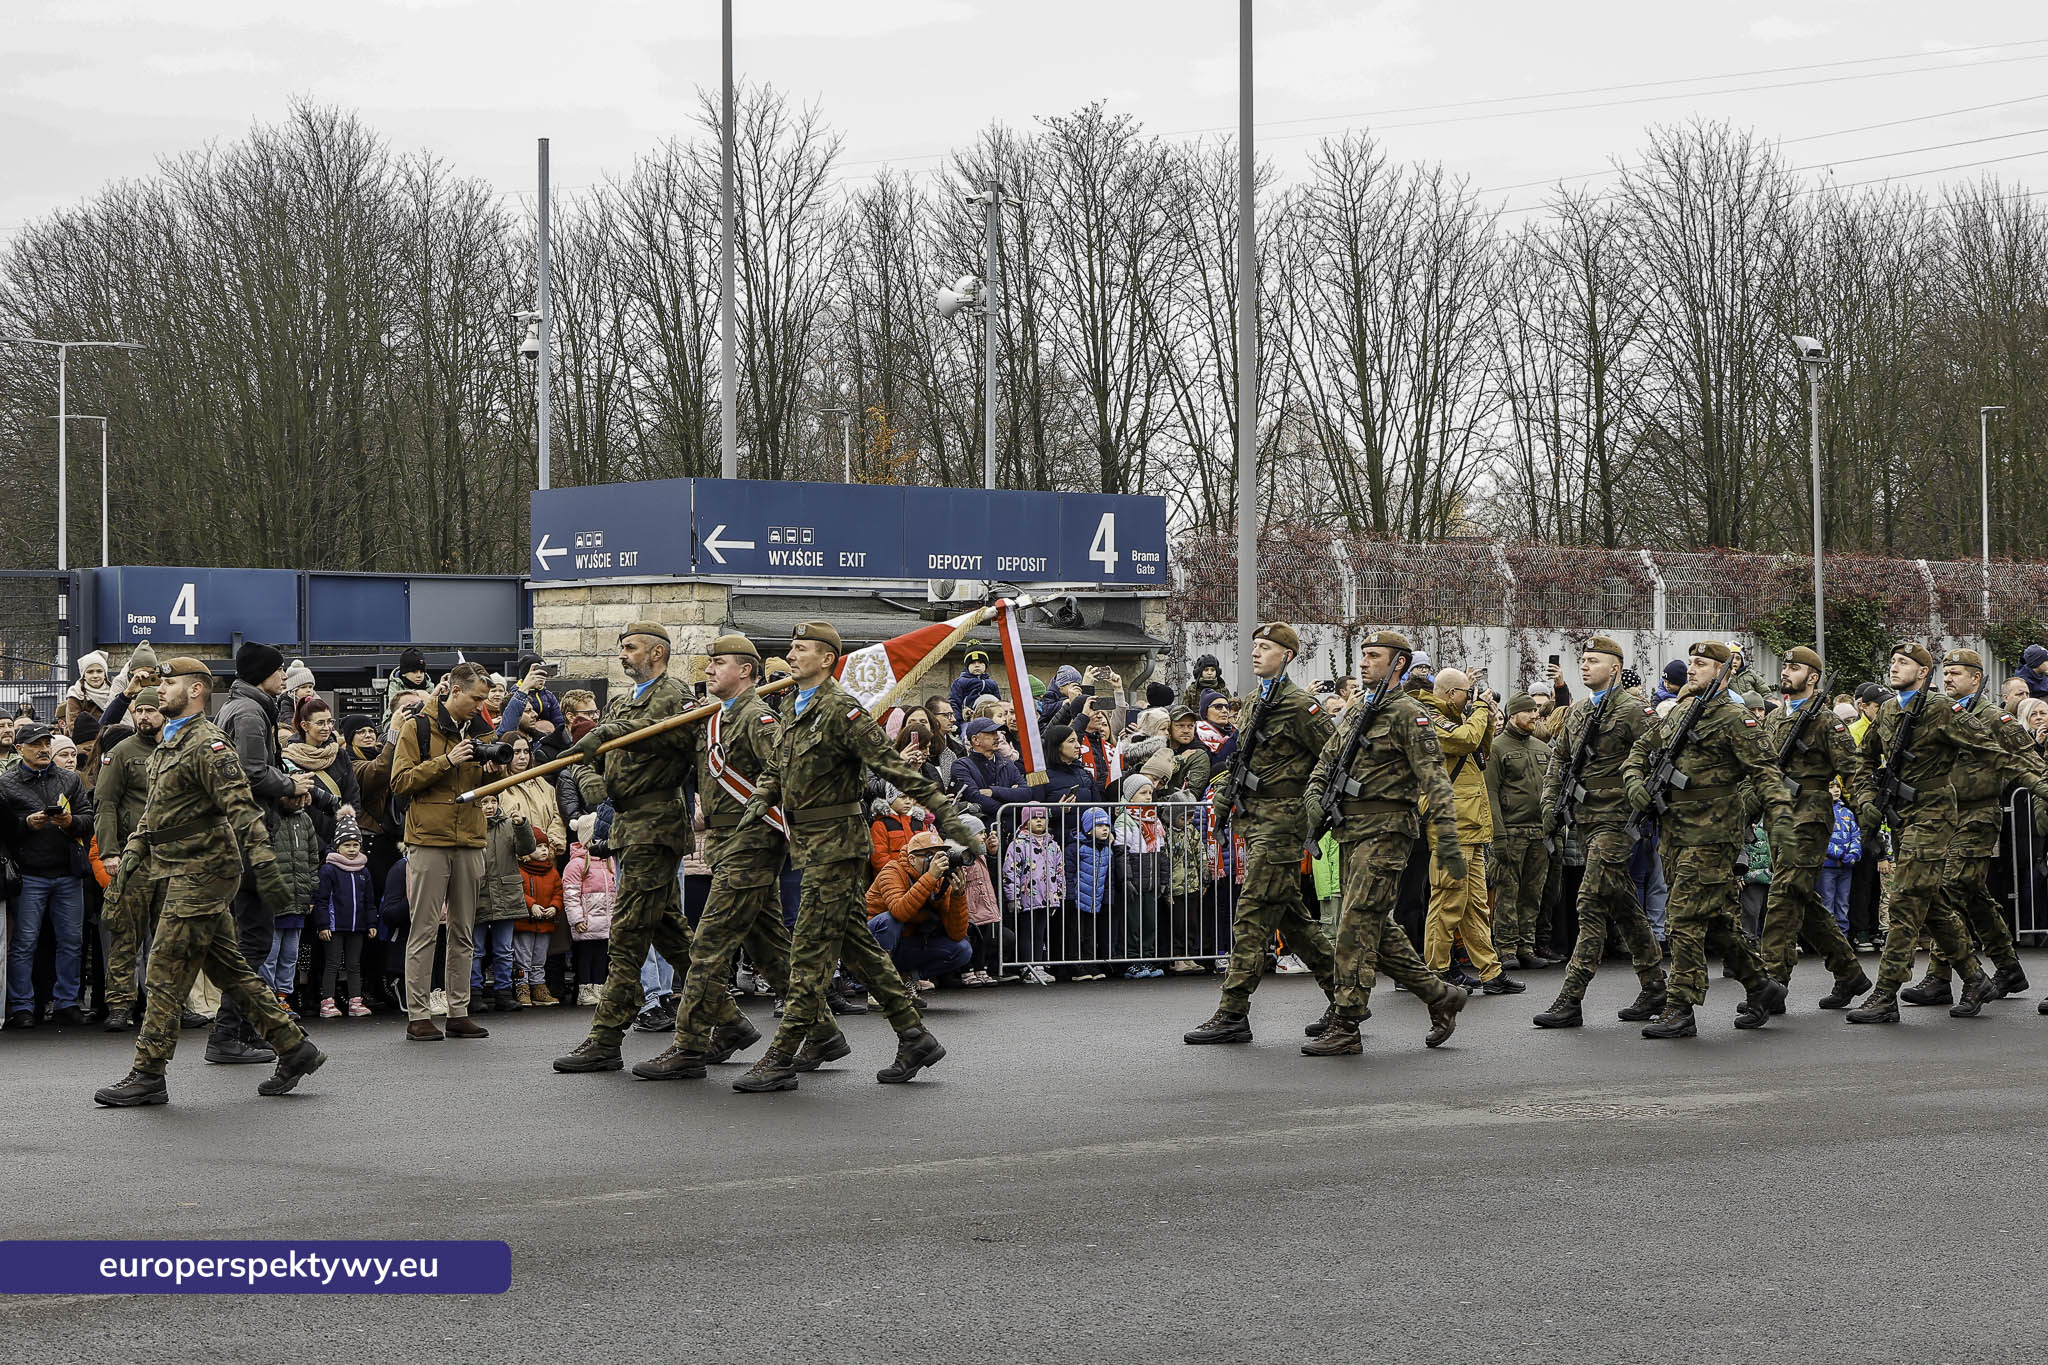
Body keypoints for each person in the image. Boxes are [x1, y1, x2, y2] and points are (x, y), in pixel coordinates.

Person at [731, 620, 979, 1092]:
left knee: (808, 952)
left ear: (827, 659)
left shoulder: (842, 711)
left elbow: (894, 768)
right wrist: (760, 799)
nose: (792, 654)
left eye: (801, 648)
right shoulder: (792, 705)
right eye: (792, 646)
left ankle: (781, 1056)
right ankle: (915, 1037)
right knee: (860, 947)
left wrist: (949, 817)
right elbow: (777, 767)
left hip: (837, 846)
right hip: (808, 843)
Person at [92, 656, 325, 1107]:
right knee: (229, 969)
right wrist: (131, 856)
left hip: (205, 871)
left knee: (163, 969)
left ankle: (148, 1073)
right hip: (178, 867)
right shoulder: (170, 742)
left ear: (196, 689)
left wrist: (266, 867)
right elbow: (154, 814)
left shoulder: (208, 744)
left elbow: (244, 809)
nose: (160, 689)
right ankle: (295, 1048)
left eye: (169, 683)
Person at [620, 635, 801, 1078]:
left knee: (707, 947)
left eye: (719, 663)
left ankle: (689, 1045)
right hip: (725, 842)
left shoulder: (758, 717)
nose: (708, 670)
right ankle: (821, 1031)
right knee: (770, 947)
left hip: (750, 842)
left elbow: (786, 775)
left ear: (746, 671)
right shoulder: (714, 717)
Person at [1297, 632, 1469, 1056]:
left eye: (1374, 656)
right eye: (1363, 655)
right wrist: (1314, 797)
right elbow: (1326, 760)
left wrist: (1448, 838)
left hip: (1387, 830)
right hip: (1350, 831)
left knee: (1354, 926)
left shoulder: (1410, 714)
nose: (1364, 662)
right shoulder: (1359, 710)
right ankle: (1440, 995)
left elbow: (1435, 779)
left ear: (1398, 663)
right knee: (1374, 925)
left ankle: (1346, 1023)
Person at [1846, 642, 2028, 1023]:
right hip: (1911, 815)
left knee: (1914, 896)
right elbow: (1864, 758)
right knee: (1937, 899)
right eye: (1893, 661)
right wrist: (1866, 801)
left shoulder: (1965, 713)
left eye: (1904, 662)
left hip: (1960, 815)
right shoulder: (1895, 711)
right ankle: (1979, 976)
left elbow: (2010, 755)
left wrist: (2039, 787)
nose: (1894, 667)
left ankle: (1890, 991)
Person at [548, 623, 700, 1072]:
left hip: (656, 825)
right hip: (625, 824)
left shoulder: (673, 695)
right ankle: (726, 1019)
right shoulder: (620, 700)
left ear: (657, 653)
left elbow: (674, 738)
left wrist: (609, 732)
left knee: (629, 932)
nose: (623, 655)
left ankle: (606, 1036)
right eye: (622, 648)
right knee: (668, 931)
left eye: (631, 648)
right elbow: (593, 760)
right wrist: (593, 783)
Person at [1182, 623, 1343, 1048]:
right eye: (1254, 646)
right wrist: (1222, 807)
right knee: (1294, 922)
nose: (1256, 652)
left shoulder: (1301, 706)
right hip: (1255, 820)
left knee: (1251, 916)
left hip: (1283, 824)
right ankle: (1346, 1000)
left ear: (1287, 655)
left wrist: (1316, 808)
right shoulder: (1255, 700)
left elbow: (1335, 757)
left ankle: (1233, 1012)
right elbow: (1241, 762)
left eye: (1266, 647)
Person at [1622, 641, 1791, 1039]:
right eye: (1691, 662)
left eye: (1701, 663)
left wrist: (1781, 818)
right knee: (1715, 922)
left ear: (1724, 672)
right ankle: (1761, 986)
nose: (1692, 669)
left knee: (1682, 918)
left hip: (1714, 835)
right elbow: (1642, 748)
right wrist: (1634, 782)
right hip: (1675, 832)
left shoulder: (1736, 718)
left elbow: (1767, 773)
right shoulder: (1683, 711)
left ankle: (1680, 1007)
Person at [1531, 637, 1668, 1031]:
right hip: (1585, 819)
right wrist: (1549, 803)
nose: (1585, 665)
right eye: (1584, 659)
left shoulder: (1634, 710)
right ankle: (1655, 987)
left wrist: (1642, 796)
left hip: (1618, 821)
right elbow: (1559, 759)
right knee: (1623, 905)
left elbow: (1659, 756)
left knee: (1589, 901)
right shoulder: (1577, 711)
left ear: (1615, 668)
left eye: (1594, 660)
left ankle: (1571, 997)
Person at [1901, 647, 2043, 1005]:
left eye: (1956, 673)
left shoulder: (1994, 718)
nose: (1948, 678)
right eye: (1946, 672)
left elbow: (2026, 760)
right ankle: (2008, 967)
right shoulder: (1942, 712)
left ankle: (1938, 977)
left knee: (1950, 890)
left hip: (1978, 816)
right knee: (1974, 896)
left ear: (1976, 678)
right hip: (1945, 816)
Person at [1756, 646, 1876, 1009]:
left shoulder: (1825, 721)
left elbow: (1853, 768)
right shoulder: (1774, 719)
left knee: (1783, 895)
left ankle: (1772, 983)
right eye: (1785, 666)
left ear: (1812, 677)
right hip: (1778, 818)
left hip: (1810, 817)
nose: (1785, 671)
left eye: (1794, 667)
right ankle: (1849, 973)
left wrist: (1866, 808)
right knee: (1802, 898)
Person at [209, 643, 313, 1063]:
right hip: (248, 838)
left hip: (239, 834)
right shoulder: (251, 713)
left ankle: (243, 1030)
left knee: (248, 939)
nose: (284, 675)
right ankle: (227, 1035)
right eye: (279, 669)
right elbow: (250, 773)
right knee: (254, 940)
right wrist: (290, 785)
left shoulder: (240, 707)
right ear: (262, 673)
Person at [389, 659, 496, 1041]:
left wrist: (494, 771)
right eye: (476, 699)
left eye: (484, 700)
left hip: (469, 838)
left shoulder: (480, 730)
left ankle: (458, 1011)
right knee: (424, 930)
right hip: (429, 839)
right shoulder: (417, 726)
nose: (480, 707)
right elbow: (400, 781)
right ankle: (419, 1015)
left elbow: (486, 787)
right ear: (455, 690)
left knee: (464, 931)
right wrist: (446, 761)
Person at [1420, 669, 1521, 995]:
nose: (1471, 697)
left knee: (1476, 905)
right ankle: (1436, 971)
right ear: (1451, 693)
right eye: (1467, 692)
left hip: (1471, 824)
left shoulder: (1461, 718)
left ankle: (1491, 973)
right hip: (1451, 826)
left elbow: (1481, 750)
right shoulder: (1430, 719)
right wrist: (1479, 709)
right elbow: (1464, 740)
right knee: (1447, 902)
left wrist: (1487, 717)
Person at [0, 721, 94, 1028]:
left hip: (68, 872)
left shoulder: (69, 779)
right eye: (36, 745)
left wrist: (70, 822)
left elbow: (88, 818)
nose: (43, 749)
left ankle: (67, 1002)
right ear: (19, 749)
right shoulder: (6, 784)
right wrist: (26, 824)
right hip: (29, 874)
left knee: (72, 941)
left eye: (46, 744)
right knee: (25, 943)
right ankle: (22, 1006)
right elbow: (5, 830)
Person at [1487, 693, 1554, 970]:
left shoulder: (1543, 748)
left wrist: (1554, 828)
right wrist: (1498, 835)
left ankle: (1526, 945)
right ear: (1513, 715)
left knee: (1532, 893)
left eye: (1535, 711)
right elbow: (1490, 793)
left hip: (1539, 832)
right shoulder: (1497, 748)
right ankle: (1506, 948)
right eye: (1528, 712)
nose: (1534, 716)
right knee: (1507, 891)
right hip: (1511, 831)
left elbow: (1553, 789)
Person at [865, 831, 975, 990]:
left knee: (962, 949)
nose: (936, 861)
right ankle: (879, 984)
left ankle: (906, 979)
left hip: (904, 944)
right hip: (869, 943)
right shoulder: (892, 870)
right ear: (911, 859)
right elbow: (899, 912)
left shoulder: (940, 881)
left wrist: (958, 896)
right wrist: (930, 877)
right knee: (889, 920)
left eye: (940, 855)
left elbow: (956, 934)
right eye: (929, 855)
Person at [261, 788, 322, 1016]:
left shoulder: (304, 820)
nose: (300, 801)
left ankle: (283, 997)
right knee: (270, 953)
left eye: (302, 797)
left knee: (290, 955)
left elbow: (313, 858)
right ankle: (268, 998)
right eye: (295, 796)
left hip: (298, 900)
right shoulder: (269, 818)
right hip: (274, 900)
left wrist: (310, 891)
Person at [471, 794, 534, 1010]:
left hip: (506, 894)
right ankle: (474, 992)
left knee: (504, 949)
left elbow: (527, 848)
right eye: (484, 802)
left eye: (493, 801)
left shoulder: (509, 825)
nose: (489, 806)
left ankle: (504, 992)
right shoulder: (469, 825)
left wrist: (522, 825)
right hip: (478, 893)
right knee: (475, 949)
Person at [314, 813, 378, 1018]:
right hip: (334, 926)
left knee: (354, 964)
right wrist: (323, 925)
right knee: (332, 963)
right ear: (337, 846)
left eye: (355, 845)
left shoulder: (363, 871)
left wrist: (371, 923)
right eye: (346, 845)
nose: (351, 850)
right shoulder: (329, 870)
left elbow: (369, 901)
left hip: (357, 926)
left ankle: (355, 1001)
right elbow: (321, 900)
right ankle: (327, 1001)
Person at [562, 829, 616, 1006]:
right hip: (587, 921)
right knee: (585, 956)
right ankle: (584, 989)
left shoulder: (609, 861)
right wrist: (577, 919)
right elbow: (571, 894)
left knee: (602, 955)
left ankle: (598, 987)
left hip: (606, 921)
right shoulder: (576, 864)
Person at [515, 835, 563, 1006]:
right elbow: (517, 891)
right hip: (524, 923)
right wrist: (531, 905)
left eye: (545, 846)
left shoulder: (552, 871)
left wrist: (554, 907)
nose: (544, 849)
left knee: (539, 958)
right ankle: (522, 987)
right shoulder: (519, 870)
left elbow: (559, 892)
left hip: (545, 923)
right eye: (538, 846)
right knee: (523, 957)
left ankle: (538, 988)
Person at [949, 648, 1003, 721]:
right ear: (967, 666)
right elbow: (955, 702)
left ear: (985, 665)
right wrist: (958, 722)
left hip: (991, 718)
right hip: (969, 718)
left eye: (980, 662)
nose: (977, 665)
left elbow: (998, 702)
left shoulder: (992, 683)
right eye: (973, 663)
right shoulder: (960, 682)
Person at [384, 647, 432, 723]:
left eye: (422, 672)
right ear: (404, 673)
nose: (419, 675)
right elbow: (391, 711)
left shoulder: (430, 687)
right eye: (414, 672)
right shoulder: (395, 686)